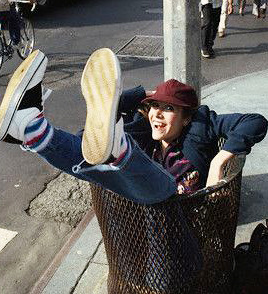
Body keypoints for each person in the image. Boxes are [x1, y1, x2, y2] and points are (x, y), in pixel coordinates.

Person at [0, 48, 267, 204]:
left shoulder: (200, 125)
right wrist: (145, 94)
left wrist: (219, 161)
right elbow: (87, 141)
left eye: (169, 109)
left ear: (186, 117)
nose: (157, 115)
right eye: (155, 107)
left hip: (184, 212)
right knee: (100, 158)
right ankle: (31, 130)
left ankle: (118, 153)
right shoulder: (142, 128)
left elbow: (255, 122)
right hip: (140, 209)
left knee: (159, 185)